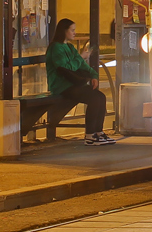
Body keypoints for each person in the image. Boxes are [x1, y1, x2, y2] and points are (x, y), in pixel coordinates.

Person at [46, 18, 115, 146]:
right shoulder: (56, 48)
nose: (74, 33)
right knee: (94, 98)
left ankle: (98, 132)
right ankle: (90, 135)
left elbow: (82, 66)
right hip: (62, 86)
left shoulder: (70, 47)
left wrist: (94, 75)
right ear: (64, 31)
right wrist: (81, 57)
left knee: (101, 97)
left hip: (72, 85)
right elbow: (66, 67)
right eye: (72, 30)